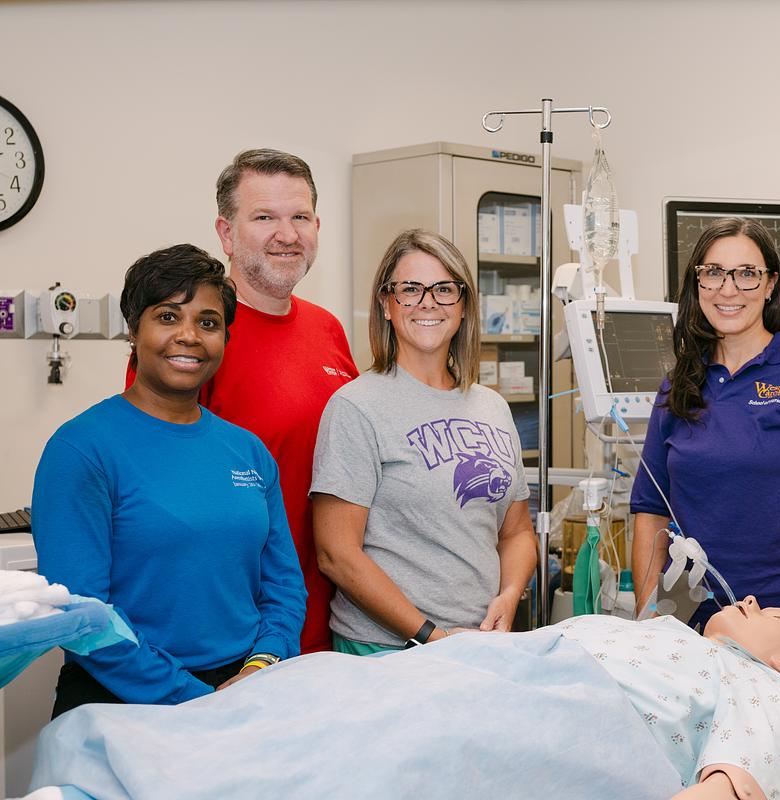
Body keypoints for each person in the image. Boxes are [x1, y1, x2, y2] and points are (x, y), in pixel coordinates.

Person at [29, 598, 780, 800]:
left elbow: (738, 771)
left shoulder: (769, 693)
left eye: (767, 613)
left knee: (384, 747)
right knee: (317, 687)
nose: (745, 602)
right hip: (502, 665)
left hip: (579, 713)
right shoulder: (664, 630)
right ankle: (102, 762)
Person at [32, 244, 306, 717]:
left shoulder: (248, 452)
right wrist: (191, 698)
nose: (189, 336)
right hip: (122, 697)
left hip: (246, 689)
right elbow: (82, 615)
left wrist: (260, 668)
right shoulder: (81, 449)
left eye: (208, 322)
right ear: (133, 330)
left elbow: (284, 587)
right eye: (167, 317)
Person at [126, 149, 358, 654]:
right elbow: (153, 487)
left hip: (328, 611)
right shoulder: (193, 339)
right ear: (227, 233)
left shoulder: (328, 330)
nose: (287, 233)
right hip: (228, 628)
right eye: (264, 217)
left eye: (300, 217)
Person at [631, 217, 780, 673]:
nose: (728, 289)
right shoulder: (679, 385)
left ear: (770, 285)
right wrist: (652, 625)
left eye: (746, 273)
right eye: (714, 272)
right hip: (692, 628)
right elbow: (650, 511)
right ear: (697, 282)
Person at [311, 229, 537, 652]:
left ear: (464, 304)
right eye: (410, 289)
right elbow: (337, 554)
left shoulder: (491, 407)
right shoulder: (357, 406)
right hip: (389, 649)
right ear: (386, 304)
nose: (428, 302)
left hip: (479, 641)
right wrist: (430, 636)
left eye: (444, 289)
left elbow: (517, 532)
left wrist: (509, 596)